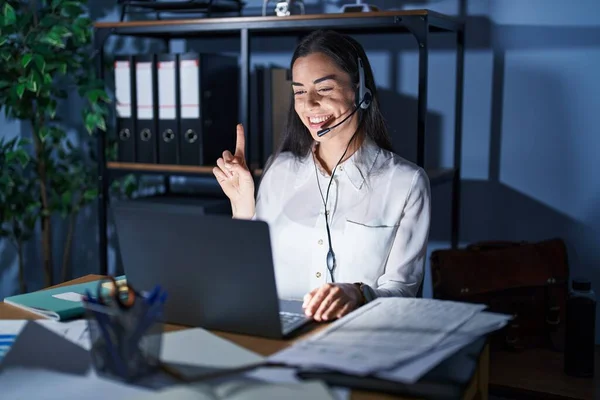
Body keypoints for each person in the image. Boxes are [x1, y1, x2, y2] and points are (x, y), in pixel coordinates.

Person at [213, 29, 431, 323]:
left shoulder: (406, 183)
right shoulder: (279, 170)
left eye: (324, 89)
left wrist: (357, 294)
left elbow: (402, 293)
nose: (309, 104)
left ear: (361, 89)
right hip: (277, 332)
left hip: (359, 336)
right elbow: (246, 277)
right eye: (299, 91)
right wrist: (242, 208)